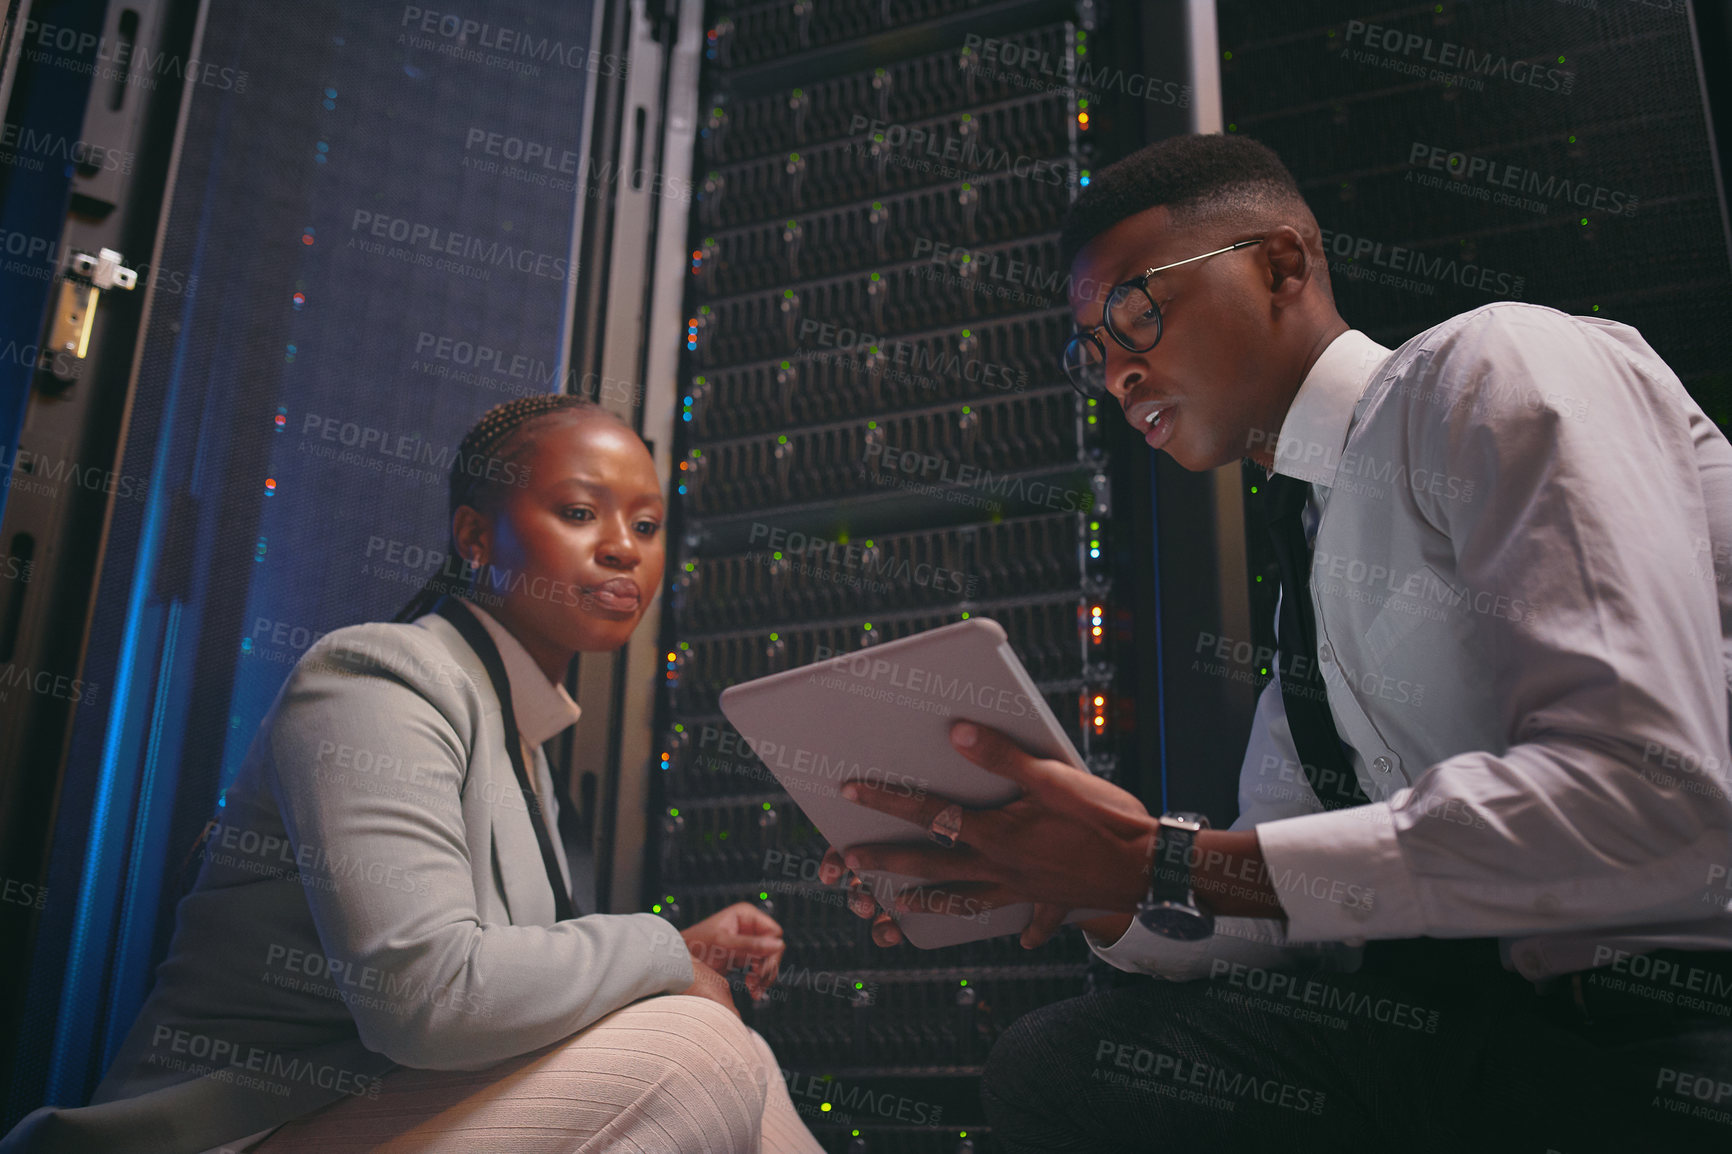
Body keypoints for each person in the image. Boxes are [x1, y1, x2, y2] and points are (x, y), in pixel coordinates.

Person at [819, 133, 1732, 1151]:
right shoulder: (1312, 576)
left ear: (1280, 264)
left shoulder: (1495, 362)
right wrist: (1094, 883)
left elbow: (1652, 795)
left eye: (1134, 309)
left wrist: (1162, 860)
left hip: (1664, 1019)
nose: (1117, 372)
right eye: (1090, 350)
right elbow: (1283, 908)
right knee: (1071, 1059)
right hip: (1481, 1037)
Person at [2, 395, 824, 1154]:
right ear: (474, 536)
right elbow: (426, 996)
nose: (623, 547)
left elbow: (505, 988)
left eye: (647, 525)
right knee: (695, 1047)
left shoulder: (521, 744)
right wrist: (659, 950)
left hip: (374, 1110)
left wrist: (675, 954)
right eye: (579, 512)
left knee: (733, 1042)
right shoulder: (375, 676)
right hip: (237, 1133)